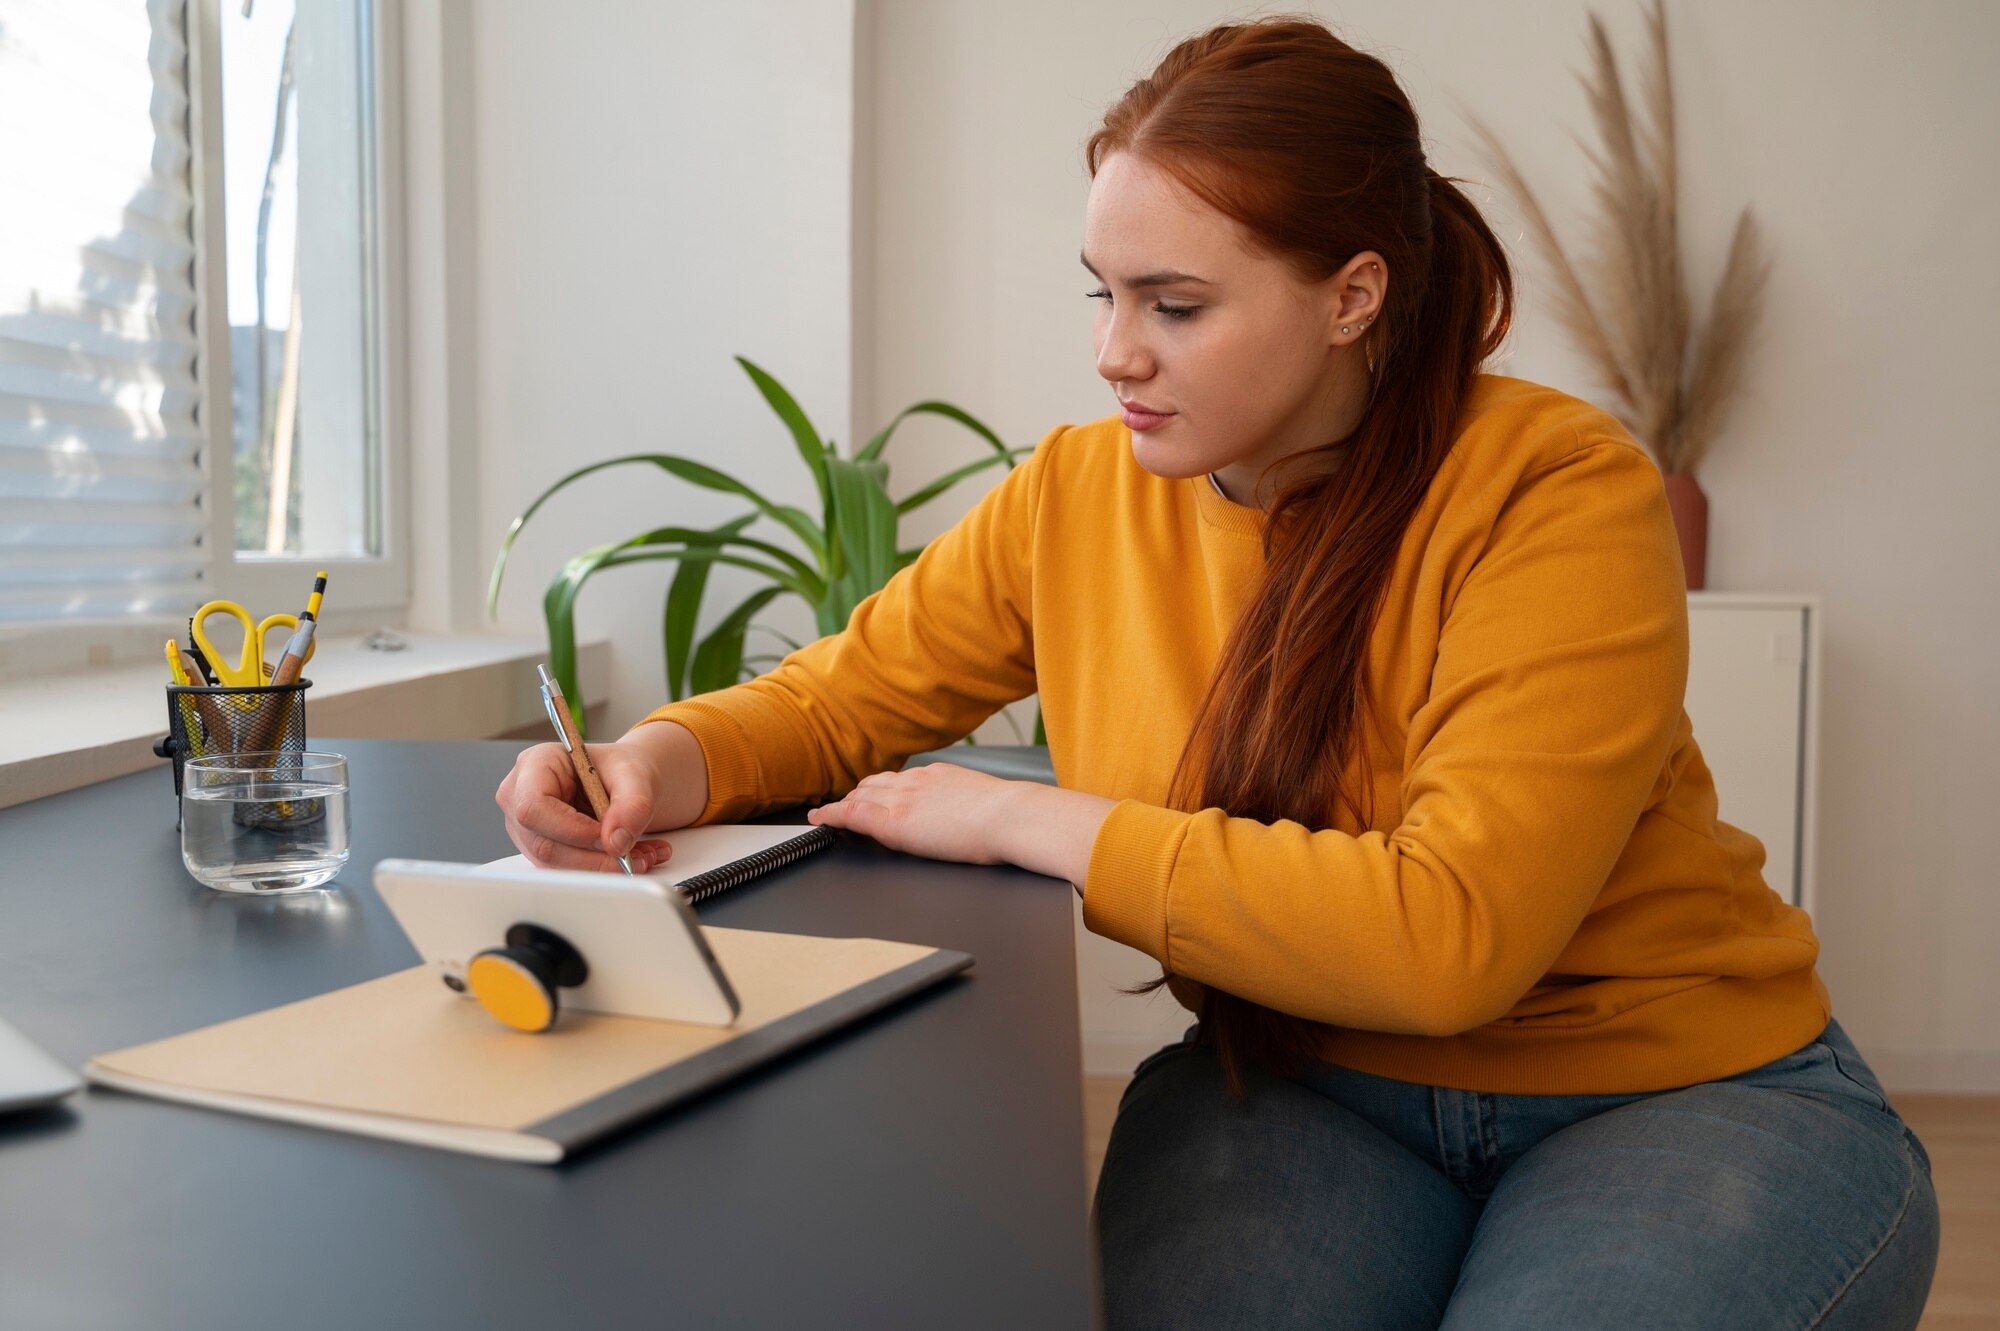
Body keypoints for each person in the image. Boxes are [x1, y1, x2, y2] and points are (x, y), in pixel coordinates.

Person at [494, 15, 1938, 1329]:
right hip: (1306, 1090)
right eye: (1103, 295)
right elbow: (842, 695)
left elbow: (1450, 940)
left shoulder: (1555, 490)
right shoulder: (1078, 493)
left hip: (1685, 1095)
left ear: (1352, 294)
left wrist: (1022, 815)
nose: (1119, 353)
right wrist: (652, 762)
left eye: (1175, 304)